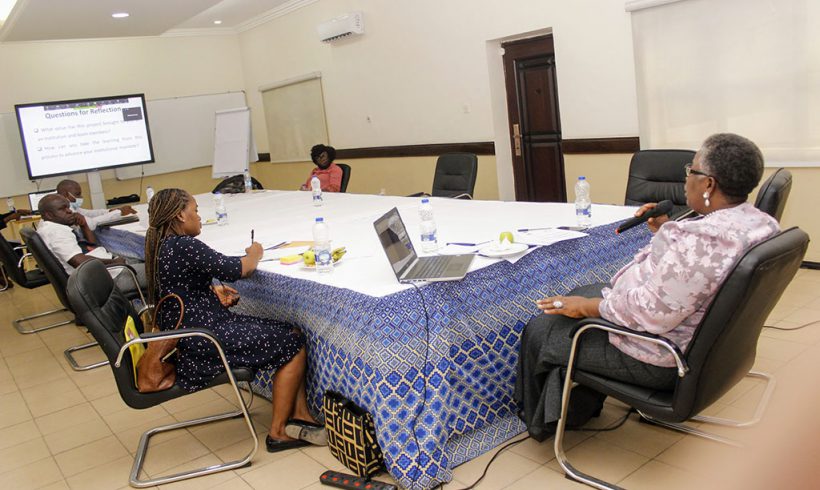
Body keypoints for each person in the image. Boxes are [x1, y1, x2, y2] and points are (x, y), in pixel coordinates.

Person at [515, 133, 781, 441]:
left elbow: (653, 314)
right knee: (588, 291)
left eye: (690, 172)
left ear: (708, 184)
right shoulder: (760, 223)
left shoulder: (700, 241)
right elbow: (690, 273)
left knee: (542, 328)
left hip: (659, 356)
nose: (685, 181)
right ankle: (579, 404)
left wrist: (588, 308)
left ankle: (541, 424)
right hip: (708, 347)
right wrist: (666, 229)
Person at [144, 188, 325, 452]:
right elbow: (239, 269)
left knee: (291, 332)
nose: (199, 216)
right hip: (204, 343)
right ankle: (278, 432)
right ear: (181, 216)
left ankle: (300, 416)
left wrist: (209, 292)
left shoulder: (162, 246)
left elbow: (178, 289)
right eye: (195, 210)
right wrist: (255, 253)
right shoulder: (184, 245)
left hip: (192, 335)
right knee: (292, 342)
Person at [36, 194, 147, 293]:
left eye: (68, 207)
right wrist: (114, 262)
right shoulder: (56, 232)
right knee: (159, 269)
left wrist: (84, 226)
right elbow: (78, 262)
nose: (69, 211)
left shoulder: (50, 227)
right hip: (108, 278)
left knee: (145, 260)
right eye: (62, 209)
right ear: (49, 215)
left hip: (101, 273)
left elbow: (92, 248)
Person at [56, 179, 136, 230]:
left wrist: (110, 211)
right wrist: (118, 212)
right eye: (77, 194)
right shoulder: (61, 210)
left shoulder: (70, 206)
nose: (80, 197)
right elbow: (90, 223)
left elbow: (88, 213)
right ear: (65, 194)